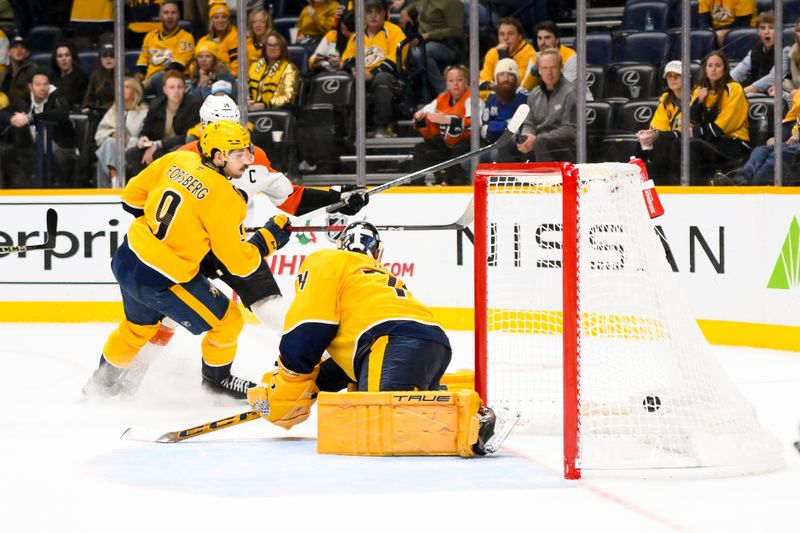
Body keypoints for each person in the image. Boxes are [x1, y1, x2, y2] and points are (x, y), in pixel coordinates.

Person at [110, 94, 370, 395]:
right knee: (167, 317)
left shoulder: (250, 155)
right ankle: (134, 376)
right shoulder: (187, 155)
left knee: (271, 307)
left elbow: (291, 197)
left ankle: (333, 364)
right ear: (206, 128)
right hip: (199, 250)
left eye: (231, 125)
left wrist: (337, 198)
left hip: (237, 245)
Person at [245, 221, 497, 456]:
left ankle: (473, 414)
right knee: (394, 412)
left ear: (341, 244)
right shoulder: (373, 278)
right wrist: (315, 386)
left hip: (391, 342)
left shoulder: (327, 259)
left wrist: (289, 380)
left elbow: (309, 326)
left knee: (384, 428)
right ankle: (462, 399)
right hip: (430, 341)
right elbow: (350, 359)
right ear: (377, 253)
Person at [82, 120, 292, 399]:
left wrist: (175, 230)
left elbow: (131, 199)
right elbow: (238, 264)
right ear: (218, 156)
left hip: (128, 258)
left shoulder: (178, 159)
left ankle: (99, 386)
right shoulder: (226, 197)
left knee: (136, 329)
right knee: (228, 320)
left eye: (248, 152)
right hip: (162, 278)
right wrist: (267, 240)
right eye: (240, 154)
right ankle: (217, 383)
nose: (248, 160)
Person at [0, 68, 76, 188]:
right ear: (31, 86)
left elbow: (61, 113)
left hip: (60, 146)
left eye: (45, 84)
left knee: (53, 157)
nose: (43, 88)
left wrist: (30, 118)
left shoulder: (56, 96)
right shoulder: (25, 100)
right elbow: (3, 113)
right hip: (30, 149)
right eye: (38, 85)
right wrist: (13, 119)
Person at [340, 0, 406, 138]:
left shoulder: (394, 31)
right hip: (361, 75)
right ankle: (349, 131)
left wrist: (372, 73)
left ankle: (381, 127)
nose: (373, 15)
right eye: (369, 12)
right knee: (345, 80)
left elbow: (396, 59)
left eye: (378, 12)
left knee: (382, 78)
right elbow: (347, 59)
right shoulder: (356, 35)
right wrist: (354, 70)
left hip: (391, 78)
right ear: (363, 15)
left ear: (385, 14)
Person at [499, 48, 576, 163]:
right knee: (506, 145)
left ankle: (544, 180)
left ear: (561, 68)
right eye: (545, 68)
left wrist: (537, 139)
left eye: (553, 67)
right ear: (539, 70)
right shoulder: (534, 94)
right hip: (538, 143)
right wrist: (527, 136)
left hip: (564, 147)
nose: (549, 72)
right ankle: (516, 180)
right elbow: (529, 123)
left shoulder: (571, 93)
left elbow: (569, 130)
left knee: (541, 143)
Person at [409, 65, 482, 185]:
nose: (455, 84)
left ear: (466, 81)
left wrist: (447, 120)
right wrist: (419, 118)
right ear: (447, 83)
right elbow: (424, 113)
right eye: (451, 80)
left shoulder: (473, 98)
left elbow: (475, 124)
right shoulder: (442, 99)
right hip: (448, 144)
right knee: (421, 149)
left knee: (461, 148)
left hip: (467, 144)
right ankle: (416, 184)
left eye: (460, 79)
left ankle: (448, 183)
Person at [712, 89, 800, 186]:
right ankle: (739, 181)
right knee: (761, 151)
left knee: (779, 153)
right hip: (792, 135)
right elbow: (794, 119)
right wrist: (779, 137)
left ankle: (757, 185)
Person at [688, 50, 750, 185]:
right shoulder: (700, 90)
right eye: (710, 65)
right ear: (705, 69)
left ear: (725, 68)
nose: (713, 69)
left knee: (692, 145)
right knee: (678, 144)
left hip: (734, 142)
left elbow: (722, 127)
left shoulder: (734, 89)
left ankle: (694, 189)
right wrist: (699, 102)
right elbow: (692, 121)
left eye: (718, 65)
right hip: (711, 142)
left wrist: (696, 133)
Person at [125, 71, 202, 177]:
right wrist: (143, 138)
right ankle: (145, 185)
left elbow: (187, 136)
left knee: (159, 155)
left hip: (179, 147)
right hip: (157, 146)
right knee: (132, 154)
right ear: (165, 90)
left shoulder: (193, 104)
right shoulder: (156, 104)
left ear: (184, 88)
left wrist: (158, 144)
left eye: (179, 87)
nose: (176, 91)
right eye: (172, 87)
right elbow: (145, 129)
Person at [399, 0, 464, 96]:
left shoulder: (452, 2)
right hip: (422, 42)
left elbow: (456, 30)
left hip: (446, 45)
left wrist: (429, 35)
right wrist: (405, 11)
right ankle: (409, 95)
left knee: (421, 53)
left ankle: (445, 92)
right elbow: (415, 5)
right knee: (404, 48)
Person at [94, 77, 148, 188]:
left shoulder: (144, 112)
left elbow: (147, 137)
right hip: (113, 151)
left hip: (133, 151)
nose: (122, 90)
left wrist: (128, 140)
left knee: (105, 153)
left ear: (135, 92)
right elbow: (98, 137)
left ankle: (115, 182)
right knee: (109, 143)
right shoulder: (113, 111)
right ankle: (115, 180)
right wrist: (112, 134)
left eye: (127, 87)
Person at [637, 60, 685, 186]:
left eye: (677, 75)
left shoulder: (695, 96)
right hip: (670, 138)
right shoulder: (665, 99)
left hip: (687, 138)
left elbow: (691, 126)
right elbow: (658, 125)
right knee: (649, 142)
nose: (673, 79)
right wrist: (649, 133)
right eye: (669, 76)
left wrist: (659, 134)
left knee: (666, 142)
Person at [135, 0, 195, 97]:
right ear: (160, 16)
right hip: (149, 83)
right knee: (126, 83)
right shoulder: (150, 36)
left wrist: (151, 80)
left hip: (174, 81)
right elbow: (142, 66)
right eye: (166, 13)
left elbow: (176, 67)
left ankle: (165, 111)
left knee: (160, 78)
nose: (170, 16)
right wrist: (136, 82)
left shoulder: (186, 37)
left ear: (179, 15)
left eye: (173, 13)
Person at [730, 11, 790, 97]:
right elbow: (738, 72)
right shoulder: (755, 50)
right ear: (758, 32)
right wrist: (724, 85)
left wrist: (743, 92)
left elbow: (773, 77)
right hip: (753, 93)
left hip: (774, 94)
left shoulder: (786, 50)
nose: (766, 32)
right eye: (762, 28)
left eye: (771, 28)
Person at [478, 17, 535, 101]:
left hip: (520, 100)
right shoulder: (493, 52)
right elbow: (482, 83)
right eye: (502, 34)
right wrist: (491, 88)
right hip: (494, 100)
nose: (505, 38)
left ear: (519, 37)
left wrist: (503, 55)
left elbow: (517, 85)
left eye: (510, 34)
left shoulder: (529, 53)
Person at [480, 58, 527, 159]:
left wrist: (494, 127)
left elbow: (517, 130)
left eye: (510, 75)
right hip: (490, 145)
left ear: (516, 79)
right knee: (468, 162)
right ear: (496, 79)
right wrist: (506, 124)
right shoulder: (491, 99)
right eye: (501, 75)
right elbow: (484, 131)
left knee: (495, 154)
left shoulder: (523, 99)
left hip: (515, 148)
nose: (505, 78)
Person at [247, 31, 300, 111]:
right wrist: (247, 101)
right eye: (269, 45)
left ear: (282, 48)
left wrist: (265, 105)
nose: (272, 48)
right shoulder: (254, 67)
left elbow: (288, 97)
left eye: (276, 45)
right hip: (252, 109)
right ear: (265, 47)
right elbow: (246, 90)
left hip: (276, 111)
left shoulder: (289, 69)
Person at [520, 20, 577, 93]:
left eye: (547, 38)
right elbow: (524, 89)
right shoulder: (535, 58)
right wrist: (535, 69)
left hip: (578, 102)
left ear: (557, 40)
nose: (542, 42)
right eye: (540, 38)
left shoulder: (571, 57)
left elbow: (566, 89)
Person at [197, 2, 240, 73]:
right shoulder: (203, 41)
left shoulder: (235, 36)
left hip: (228, 79)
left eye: (223, 17)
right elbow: (194, 65)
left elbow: (237, 67)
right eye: (216, 17)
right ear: (211, 21)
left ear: (228, 20)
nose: (220, 21)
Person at [309, 9, 354, 75]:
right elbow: (311, 60)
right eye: (342, 29)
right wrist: (315, 60)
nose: (343, 32)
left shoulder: (359, 40)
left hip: (346, 75)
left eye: (346, 30)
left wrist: (340, 64)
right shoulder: (332, 35)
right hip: (324, 72)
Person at [82, 33, 116, 114]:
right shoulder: (95, 75)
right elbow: (90, 96)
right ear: (100, 59)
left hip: (118, 111)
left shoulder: (125, 74)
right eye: (105, 55)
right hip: (99, 111)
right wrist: (87, 106)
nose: (108, 58)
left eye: (112, 55)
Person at [50, 40, 89, 112]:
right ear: (55, 60)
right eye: (60, 56)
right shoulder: (51, 78)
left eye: (67, 55)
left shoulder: (83, 78)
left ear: (72, 58)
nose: (64, 59)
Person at [0, 34, 36, 105]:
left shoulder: (33, 71)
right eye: (15, 47)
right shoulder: (3, 74)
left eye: (22, 47)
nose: (19, 50)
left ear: (27, 53)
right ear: (8, 52)